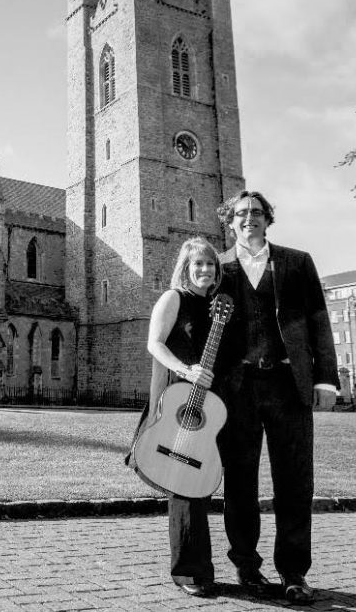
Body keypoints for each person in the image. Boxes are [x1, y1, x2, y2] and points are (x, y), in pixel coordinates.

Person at [215, 190, 339, 605]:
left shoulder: (297, 262)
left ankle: (294, 572)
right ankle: (247, 568)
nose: (248, 218)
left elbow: (319, 319)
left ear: (268, 219)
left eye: (256, 212)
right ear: (229, 222)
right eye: (240, 213)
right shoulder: (218, 267)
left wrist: (326, 380)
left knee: (295, 482)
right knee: (240, 482)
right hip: (237, 390)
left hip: (289, 385)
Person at [136, 237, 223, 598]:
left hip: (210, 403)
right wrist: (186, 371)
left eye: (210, 265)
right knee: (184, 485)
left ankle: (202, 566)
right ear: (185, 269)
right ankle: (188, 571)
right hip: (177, 398)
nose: (204, 270)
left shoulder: (218, 309)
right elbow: (154, 343)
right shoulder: (174, 298)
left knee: (199, 483)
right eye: (197, 264)